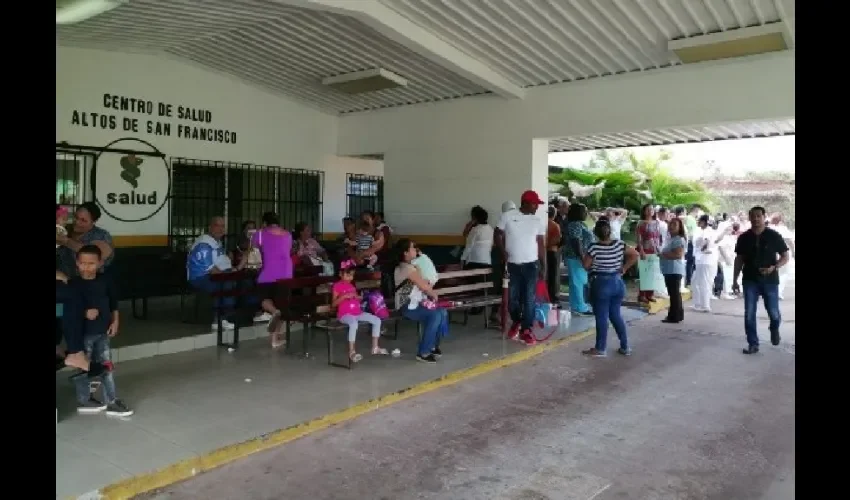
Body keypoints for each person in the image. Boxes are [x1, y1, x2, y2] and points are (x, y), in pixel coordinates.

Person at [57, 245, 133, 416]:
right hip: (84, 334)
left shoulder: (106, 280)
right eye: (82, 263)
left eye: (91, 263)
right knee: (85, 368)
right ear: (77, 263)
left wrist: (115, 322)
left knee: (106, 366)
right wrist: (84, 312)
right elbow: (66, 310)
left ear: (100, 263)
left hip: (103, 332)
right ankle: (84, 399)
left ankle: (112, 400)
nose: (86, 267)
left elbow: (114, 303)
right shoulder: (72, 285)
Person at [732, 206, 789, 355]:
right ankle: (753, 343)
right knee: (749, 313)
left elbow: (785, 256)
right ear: (749, 218)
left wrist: (774, 267)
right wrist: (734, 280)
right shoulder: (743, 238)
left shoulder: (774, 236)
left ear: (764, 217)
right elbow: (739, 259)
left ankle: (774, 327)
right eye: (753, 216)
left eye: (759, 216)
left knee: (774, 313)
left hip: (770, 280)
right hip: (750, 279)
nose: (756, 219)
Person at [581, 218, 639, 357]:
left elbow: (586, 265)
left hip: (600, 283)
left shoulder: (593, 247)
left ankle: (600, 348)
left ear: (595, 233)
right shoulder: (620, 244)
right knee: (616, 315)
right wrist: (624, 268)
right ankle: (625, 346)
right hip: (617, 283)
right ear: (610, 232)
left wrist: (583, 257)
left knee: (601, 316)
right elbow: (635, 254)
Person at [497, 190, 546, 345]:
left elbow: (541, 244)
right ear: (525, 203)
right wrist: (502, 251)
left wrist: (544, 266)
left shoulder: (537, 221)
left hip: (531, 265)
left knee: (529, 299)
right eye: (534, 204)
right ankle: (517, 321)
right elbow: (497, 234)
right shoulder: (508, 217)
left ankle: (526, 329)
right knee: (512, 299)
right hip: (512, 265)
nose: (536, 207)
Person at [392, 239, 448, 363]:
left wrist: (428, 289)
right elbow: (423, 286)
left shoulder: (413, 267)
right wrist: (434, 295)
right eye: (412, 248)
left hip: (417, 302)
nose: (415, 250)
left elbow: (422, 284)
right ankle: (423, 352)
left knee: (442, 312)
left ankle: (432, 346)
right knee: (435, 314)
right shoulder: (406, 268)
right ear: (405, 253)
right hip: (406, 306)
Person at [187, 216, 247, 331]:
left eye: (223, 226)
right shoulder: (203, 244)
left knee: (244, 281)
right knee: (225, 284)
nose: (220, 229)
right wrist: (231, 273)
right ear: (210, 227)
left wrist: (235, 268)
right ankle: (220, 319)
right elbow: (212, 270)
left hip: (215, 276)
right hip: (200, 278)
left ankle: (247, 314)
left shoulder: (216, 242)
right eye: (217, 225)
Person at [332, 259, 389, 362]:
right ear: (340, 274)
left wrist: (358, 297)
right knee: (353, 324)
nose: (350, 278)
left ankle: (375, 347)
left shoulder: (352, 286)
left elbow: (358, 299)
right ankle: (352, 351)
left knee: (377, 320)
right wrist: (343, 297)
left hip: (357, 312)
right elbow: (333, 304)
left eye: (352, 275)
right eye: (348, 275)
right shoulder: (337, 286)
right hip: (345, 314)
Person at [252, 212, 294, 349]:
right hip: (286, 272)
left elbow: (253, 250)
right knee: (281, 304)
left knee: (263, 297)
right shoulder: (287, 234)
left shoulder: (260, 234)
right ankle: (275, 340)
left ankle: (273, 310)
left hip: (268, 271)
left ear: (264, 223)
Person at [56, 202, 115, 279]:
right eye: (75, 217)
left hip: (92, 283)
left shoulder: (101, 235)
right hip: (64, 282)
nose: (77, 222)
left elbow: (96, 254)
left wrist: (66, 241)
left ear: (93, 221)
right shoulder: (65, 230)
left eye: (83, 220)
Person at [461, 205, 496, 317]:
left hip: (474, 261)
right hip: (486, 261)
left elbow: (469, 246)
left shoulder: (475, 230)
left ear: (475, 217)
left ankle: (474, 306)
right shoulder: (491, 229)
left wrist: (462, 259)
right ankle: (480, 306)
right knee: (481, 287)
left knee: (472, 286)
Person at [563, 203, 595, 315]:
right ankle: (581, 307)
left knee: (578, 281)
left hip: (579, 257)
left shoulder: (580, 224)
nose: (586, 213)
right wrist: (582, 258)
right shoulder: (575, 225)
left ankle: (576, 306)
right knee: (579, 282)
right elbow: (576, 242)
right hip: (576, 257)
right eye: (584, 211)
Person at [659, 217, 687, 323]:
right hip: (669, 270)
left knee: (674, 293)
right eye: (670, 224)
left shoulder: (678, 239)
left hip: (674, 270)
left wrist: (662, 254)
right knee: (674, 293)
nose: (671, 226)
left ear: (680, 227)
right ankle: (676, 314)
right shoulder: (671, 239)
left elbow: (678, 254)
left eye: (674, 224)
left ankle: (674, 316)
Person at [691, 215, 718, 312]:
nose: (698, 222)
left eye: (699, 221)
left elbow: (705, 241)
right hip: (704, 260)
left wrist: (704, 247)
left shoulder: (706, 231)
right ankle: (698, 303)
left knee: (704, 282)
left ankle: (705, 305)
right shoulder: (705, 231)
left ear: (704, 222)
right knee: (696, 281)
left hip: (704, 260)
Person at [635, 204, 662, 304]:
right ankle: (642, 295)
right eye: (648, 209)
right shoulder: (641, 223)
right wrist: (641, 250)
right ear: (644, 211)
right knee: (645, 273)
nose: (650, 211)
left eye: (652, 209)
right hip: (645, 250)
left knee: (653, 274)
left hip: (655, 250)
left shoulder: (657, 223)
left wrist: (659, 249)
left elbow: (659, 237)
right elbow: (639, 238)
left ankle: (650, 294)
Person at [770, 213, 795, 300]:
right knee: (784, 272)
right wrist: (793, 251)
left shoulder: (770, 228)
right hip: (783, 253)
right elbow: (790, 241)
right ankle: (778, 292)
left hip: (772, 252)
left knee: (773, 271)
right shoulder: (783, 229)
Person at [545, 206, 562, 307]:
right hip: (552, 251)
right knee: (554, 276)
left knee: (546, 275)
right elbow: (557, 239)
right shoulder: (555, 225)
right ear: (554, 214)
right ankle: (554, 299)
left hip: (544, 252)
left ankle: (546, 297)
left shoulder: (543, 223)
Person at [683, 205, 701, 287]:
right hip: (690, 242)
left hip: (692, 243)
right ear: (696, 210)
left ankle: (689, 280)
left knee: (691, 262)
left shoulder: (693, 219)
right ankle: (688, 281)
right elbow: (690, 232)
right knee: (689, 262)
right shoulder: (689, 218)